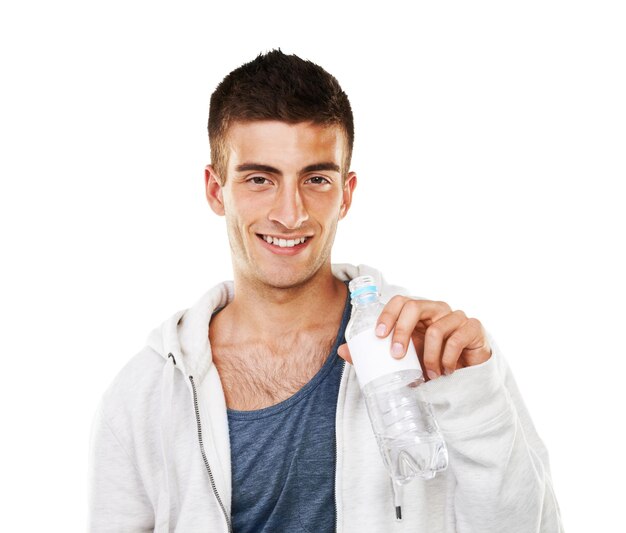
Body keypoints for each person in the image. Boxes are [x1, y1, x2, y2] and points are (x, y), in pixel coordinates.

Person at [88, 49, 564, 532]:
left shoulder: (431, 347)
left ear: (347, 193)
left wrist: (474, 396)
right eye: (259, 179)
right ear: (216, 190)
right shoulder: (145, 393)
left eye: (316, 179)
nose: (290, 213)